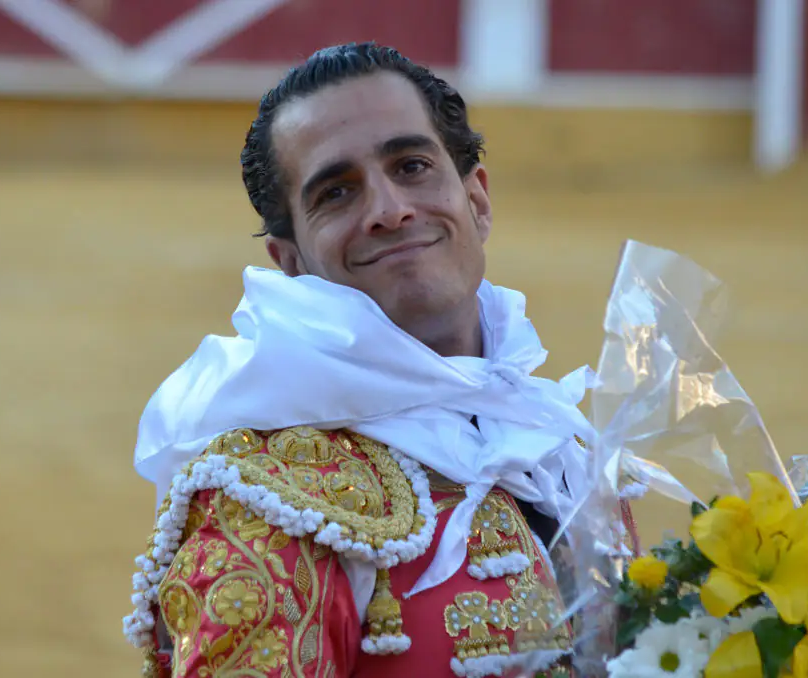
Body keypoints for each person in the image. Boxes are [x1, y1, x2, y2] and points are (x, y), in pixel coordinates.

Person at [122, 42, 608, 678]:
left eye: (411, 166)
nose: (390, 209)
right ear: (292, 262)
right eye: (337, 193)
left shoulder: (557, 442)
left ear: (477, 201)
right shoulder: (263, 506)